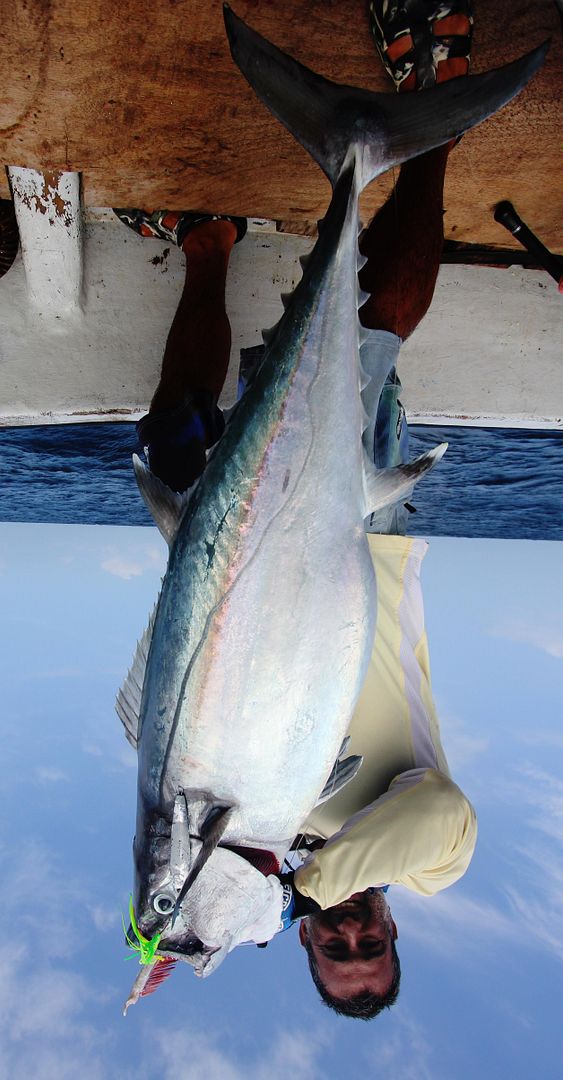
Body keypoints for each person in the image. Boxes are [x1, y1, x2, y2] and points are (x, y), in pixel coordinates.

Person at [114, 0, 477, 1021]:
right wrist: (276, 884)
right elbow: (441, 816)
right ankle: (418, 111)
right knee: (370, 332)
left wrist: (172, 912)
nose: (350, 930)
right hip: (342, 537)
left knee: (166, 441)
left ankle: (210, 243)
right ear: (391, 928)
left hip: (238, 559)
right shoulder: (416, 853)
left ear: (304, 951)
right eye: (369, 943)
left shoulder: (244, 837)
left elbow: (166, 704)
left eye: (335, 951)